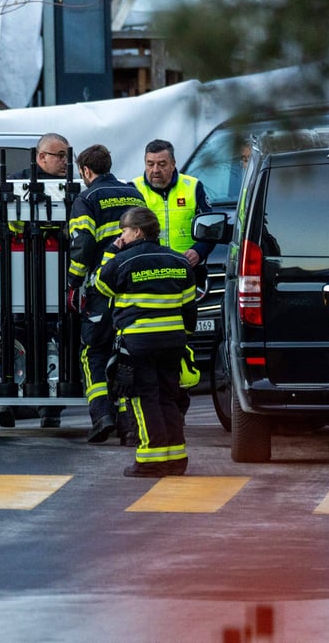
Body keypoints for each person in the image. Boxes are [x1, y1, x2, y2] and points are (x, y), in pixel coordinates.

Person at [94, 206, 197, 477]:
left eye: (124, 231)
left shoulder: (123, 260)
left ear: (137, 231)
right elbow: (189, 306)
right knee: (169, 396)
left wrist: (111, 252)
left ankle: (150, 460)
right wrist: (184, 336)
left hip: (139, 341)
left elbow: (101, 285)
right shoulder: (179, 261)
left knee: (143, 397)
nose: (122, 236)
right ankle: (176, 459)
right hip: (173, 340)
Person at [67, 144, 147, 446]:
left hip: (103, 286)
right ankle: (130, 427)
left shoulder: (86, 198)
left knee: (93, 351)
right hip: (135, 284)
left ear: (86, 171)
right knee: (127, 352)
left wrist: (74, 282)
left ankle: (102, 415)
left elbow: (83, 244)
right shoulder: (134, 194)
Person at [131, 139, 213, 417]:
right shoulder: (135, 190)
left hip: (182, 279)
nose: (155, 170)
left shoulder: (192, 187)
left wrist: (198, 252)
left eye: (162, 164)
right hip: (146, 279)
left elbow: (210, 225)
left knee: (180, 339)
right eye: (150, 164)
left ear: (173, 164)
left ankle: (179, 398)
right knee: (149, 342)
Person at [8, 131, 71, 428]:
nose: (64, 161)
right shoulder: (15, 184)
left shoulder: (73, 186)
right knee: (15, 340)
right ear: (41, 157)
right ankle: (8, 404)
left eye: (67, 156)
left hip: (57, 279)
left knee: (55, 342)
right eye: (59, 156)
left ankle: (50, 408)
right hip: (19, 280)